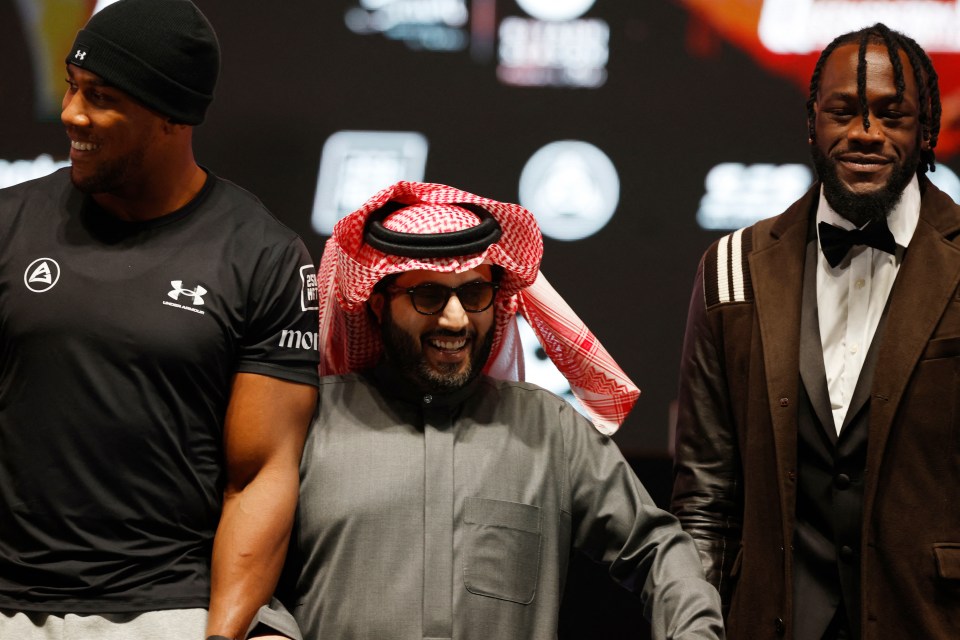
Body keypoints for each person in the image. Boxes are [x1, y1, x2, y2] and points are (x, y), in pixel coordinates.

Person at [257, 180, 725, 640]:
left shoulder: (549, 431)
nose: (456, 318)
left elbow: (658, 548)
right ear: (378, 303)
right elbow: (240, 560)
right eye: (428, 295)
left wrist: (694, 631)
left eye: (474, 294)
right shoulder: (309, 418)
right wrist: (268, 628)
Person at [0, 1, 318, 638]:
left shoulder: (263, 257)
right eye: (71, 86)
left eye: (101, 97)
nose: (71, 113)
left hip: (167, 605)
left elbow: (260, 475)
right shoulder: (8, 223)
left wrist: (221, 635)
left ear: (173, 115)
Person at [671, 22, 959, 640]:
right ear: (811, 123)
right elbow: (705, 497)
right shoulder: (734, 269)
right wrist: (692, 626)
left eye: (892, 113)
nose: (865, 133)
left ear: (927, 129)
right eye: (843, 111)